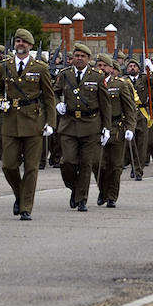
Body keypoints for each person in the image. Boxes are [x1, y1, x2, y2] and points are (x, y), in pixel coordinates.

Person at [0, 29, 56, 220]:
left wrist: (50, 123)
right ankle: (20, 195)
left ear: (30, 46)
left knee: (31, 167)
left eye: (24, 42)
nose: (20, 44)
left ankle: (26, 207)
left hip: (33, 122)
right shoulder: (5, 66)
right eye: (18, 41)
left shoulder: (41, 68)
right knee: (9, 166)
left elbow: (49, 98)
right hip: (11, 121)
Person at [54, 43, 108, 211]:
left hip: (91, 124)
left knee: (86, 163)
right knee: (67, 162)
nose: (79, 58)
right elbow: (54, 93)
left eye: (82, 56)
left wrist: (106, 128)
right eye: (76, 55)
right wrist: (57, 104)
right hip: (69, 124)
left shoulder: (98, 76)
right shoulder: (64, 75)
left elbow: (105, 104)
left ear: (88, 59)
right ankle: (74, 189)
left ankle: (82, 199)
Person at [95, 54, 135, 207]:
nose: (102, 68)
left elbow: (129, 108)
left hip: (116, 128)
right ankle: (103, 191)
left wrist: (130, 128)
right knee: (98, 163)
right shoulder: (92, 83)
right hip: (98, 127)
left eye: (105, 66)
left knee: (115, 165)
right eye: (99, 65)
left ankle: (112, 196)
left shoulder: (120, 84)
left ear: (112, 68)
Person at [124, 59, 150, 180]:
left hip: (142, 114)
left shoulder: (144, 79)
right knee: (130, 145)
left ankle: (138, 170)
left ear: (139, 69)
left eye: (134, 66)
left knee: (142, 145)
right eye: (130, 66)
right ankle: (134, 166)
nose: (132, 68)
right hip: (129, 115)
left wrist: (151, 68)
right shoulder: (124, 81)